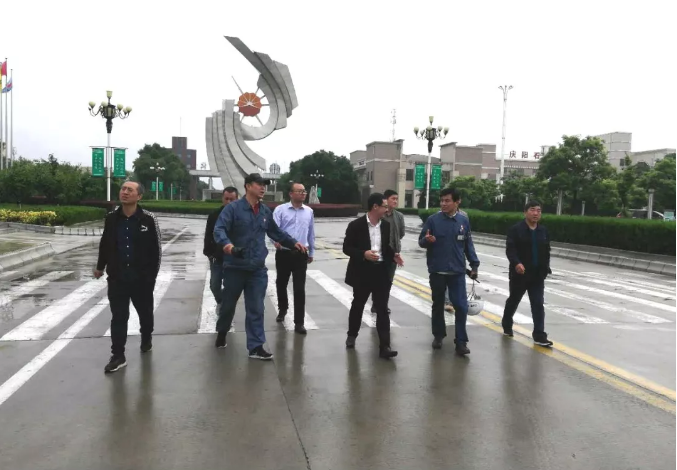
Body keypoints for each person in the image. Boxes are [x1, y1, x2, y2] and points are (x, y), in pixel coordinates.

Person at [213, 173, 307, 360]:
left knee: (256, 308)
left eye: (264, 185)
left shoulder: (264, 211)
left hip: (257, 269)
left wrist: (293, 243)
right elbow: (219, 229)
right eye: (259, 184)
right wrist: (229, 247)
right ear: (248, 186)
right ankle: (222, 331)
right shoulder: (233, 209)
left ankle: (256, 347)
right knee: (228, 307)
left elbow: (276, 232)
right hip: (235, 267)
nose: (263, 187)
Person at [94, 181, 162, 373]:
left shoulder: (148, 219)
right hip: (117, 277)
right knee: (119, 316)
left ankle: (146, 337)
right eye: (123, 189)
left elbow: (156, 250)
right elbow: (105, 244)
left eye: (129, 190)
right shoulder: (111, 218)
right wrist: (100, 267)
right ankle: (118, 355)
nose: (124, 192)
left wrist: (151, 277)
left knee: (145, 314)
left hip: (141, 279)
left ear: (139, 196)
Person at [419, 187, 479, 356]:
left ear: (457, 202)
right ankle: (438, 336)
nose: (443, 204)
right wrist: (427, 240)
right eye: (442, 201)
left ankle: (461, 342)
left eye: (447, 201)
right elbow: (421, 241)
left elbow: (468, 244)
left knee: (461, 306)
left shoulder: (463, 221)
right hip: (437, 271)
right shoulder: (433, 220)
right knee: (438, 305)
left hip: (457, 272)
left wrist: (474, 265)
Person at [343, 193, 398, 359]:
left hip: (380, 271)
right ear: (375, 207)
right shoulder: (356, 225)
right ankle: (352, 335)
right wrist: (363, 254)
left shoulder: (386, 225)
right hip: (362, 271)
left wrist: (394, 255)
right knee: (358, 304)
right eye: (384, 206)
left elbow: (385, 247)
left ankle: (385, 346)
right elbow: (347, 248)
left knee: (382, 308)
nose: (387, 209)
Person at [501, 201, 553, 347]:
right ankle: (506, 323)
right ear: (525, 212)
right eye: (532, 210)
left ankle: (539, 335)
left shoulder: (543, 231)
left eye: (539, 211)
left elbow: (547, 251)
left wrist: (546, 267)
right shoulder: (515, 230)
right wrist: (516, 263)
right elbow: (510, 250)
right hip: (520, 274)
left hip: (537, 275)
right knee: (514, 300)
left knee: (538, 303)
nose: (536, 213)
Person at [272, 182, 316, 334]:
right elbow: (273, 230)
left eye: (304, 191)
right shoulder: (280, 210)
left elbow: (311, 232)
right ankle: (283, 308)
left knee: (299, 289)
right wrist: (276, 242)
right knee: (281, 283)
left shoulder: (309, 211)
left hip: (301, 254)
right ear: (291, 194)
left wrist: (311, 252)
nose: (303, 194)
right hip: (283, 253)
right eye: (299, 191)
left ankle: (299, 322)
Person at [203, 186, 239, 305]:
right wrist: (209, 253)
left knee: (231, 286)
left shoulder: (240, 216)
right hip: (217, 257)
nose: (228, 202)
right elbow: (208, 235)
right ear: (222, 199)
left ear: (236, 199)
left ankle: (225, 308)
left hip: (233, 258)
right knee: (214, 285)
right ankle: (222, 302)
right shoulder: (214, 215)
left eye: (232, 199)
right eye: (226, 199)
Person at [375, 189, 405, 314]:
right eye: (393, 198)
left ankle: (383, 305)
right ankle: (376, 303)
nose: (395, 201)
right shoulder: (379, 214)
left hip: (393, 254)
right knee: (378, 280)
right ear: (386, 200)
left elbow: (401, 233)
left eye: (397, 199)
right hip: (379, 253)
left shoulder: (399, 216)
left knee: (388, 281)